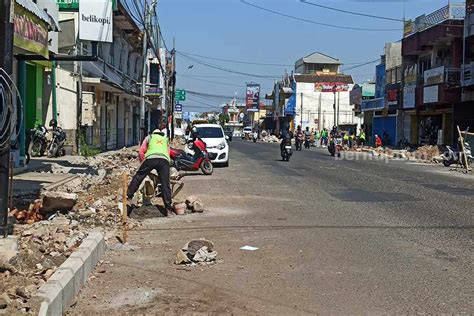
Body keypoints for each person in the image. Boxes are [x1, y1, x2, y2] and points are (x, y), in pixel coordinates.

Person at [127, 126, 173, 217]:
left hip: (151, 158)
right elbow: (168, 153)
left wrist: (142, 163)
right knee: (165, 184)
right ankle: (168, 209)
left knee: (138, 176)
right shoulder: (165, 139)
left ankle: (129, 196)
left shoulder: (149, 137)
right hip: (164, 160)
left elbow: (141, 152)